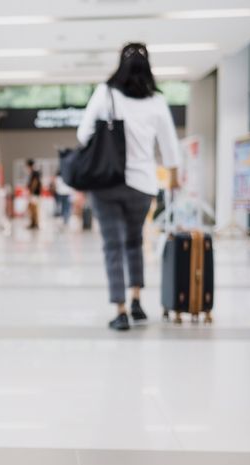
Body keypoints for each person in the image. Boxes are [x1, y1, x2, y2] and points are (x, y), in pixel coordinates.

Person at [77, 43, 180, 332]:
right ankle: (136, 301)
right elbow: (169, 144)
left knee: (112, 246)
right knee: (134, 242)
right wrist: (174, 174)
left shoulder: (105, 93)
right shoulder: (157, 101)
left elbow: (83, 134)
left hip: (107, 182)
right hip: (143, 184)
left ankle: (120, 311)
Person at [25, 159, 42, 230]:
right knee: (31, 208)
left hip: (34, 193)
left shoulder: (35, 173)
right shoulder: (32, 173)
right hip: (33, 193)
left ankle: (36, 223)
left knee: (34, 209)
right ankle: (32, 223)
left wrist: (31, 191)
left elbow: (35, 183)